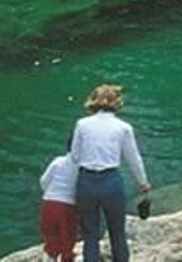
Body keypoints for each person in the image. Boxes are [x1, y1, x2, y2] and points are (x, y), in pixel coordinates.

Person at [70, 84, 151, 262]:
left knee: (90, 233)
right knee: (117, 232)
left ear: (93, 101)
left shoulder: (82, 124)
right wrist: (143, 182)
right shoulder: (123, 127)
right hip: (111, 182)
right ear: (117, 103)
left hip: (86, 182)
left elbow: (74, 156)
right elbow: (133, 158)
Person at [39, 142, 80, 262]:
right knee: (67, 240)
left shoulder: (57, 161)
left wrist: (52, 194)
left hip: (48, 203)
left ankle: (50, 258)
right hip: (68, 207)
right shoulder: (83, 167)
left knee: (51, 239)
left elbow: (43, 181)